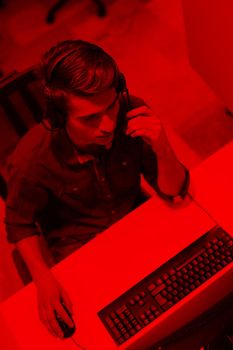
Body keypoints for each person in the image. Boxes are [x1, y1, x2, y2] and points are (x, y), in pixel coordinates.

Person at [4, 39, 189, 339]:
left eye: (111, 105)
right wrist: (43, 279)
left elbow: (173, 190)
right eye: (89, 117)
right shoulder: (31, 159)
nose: (107, 124)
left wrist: (163, 147)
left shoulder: (132, 114)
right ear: (58, 117)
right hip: (77, 248)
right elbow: (19, 223)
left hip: (135, 222)